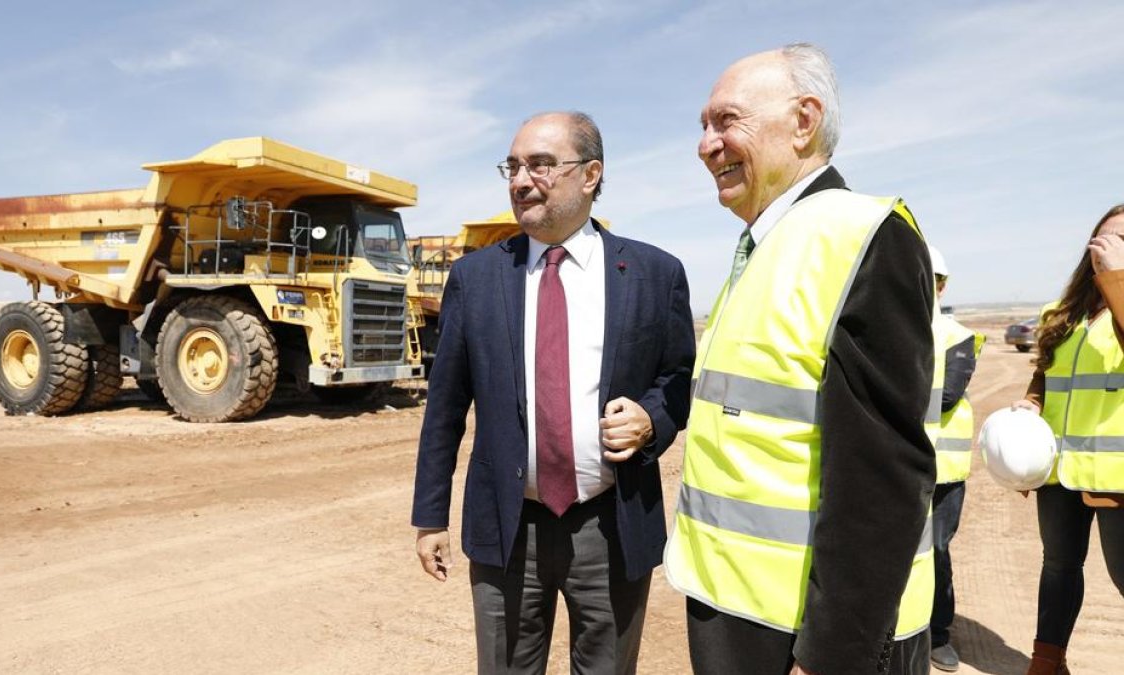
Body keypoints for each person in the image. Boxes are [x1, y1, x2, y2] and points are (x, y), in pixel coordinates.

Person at [664, 43, 938, 675]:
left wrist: (836, 654)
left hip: (808, 633)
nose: (707, 145)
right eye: (703, 127)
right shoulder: (770, 242)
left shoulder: (859, 235)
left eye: (726, 121)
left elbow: (883, 471)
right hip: (740, 608)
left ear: (805, 121)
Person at [411, 111, 695, 674]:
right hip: (509, 526)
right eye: (512, 167)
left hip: (610, 523)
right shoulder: (475, 279)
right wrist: (430, 516)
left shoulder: (654, 274)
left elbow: (678, 379)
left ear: (590, 175)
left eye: (540, 165)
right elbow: (444, 407)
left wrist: (651, 421)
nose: (521, 180)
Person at [1011, 204, 1124, 675]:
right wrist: (1031, 405)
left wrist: (1117, 280)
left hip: (1115, 474)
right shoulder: (1062, 313)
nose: (1110, 246)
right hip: (1059, 468)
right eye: (1106, 237)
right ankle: (1046, 663)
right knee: (1057, 566)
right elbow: (1046, 374)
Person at [926, 245, 984, 672]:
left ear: (942, 286)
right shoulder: (882, 329)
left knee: (936, 550)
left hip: (942, 470)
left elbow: (945, 396)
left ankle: (938, 632)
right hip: (892, 465)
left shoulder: (956, 336)